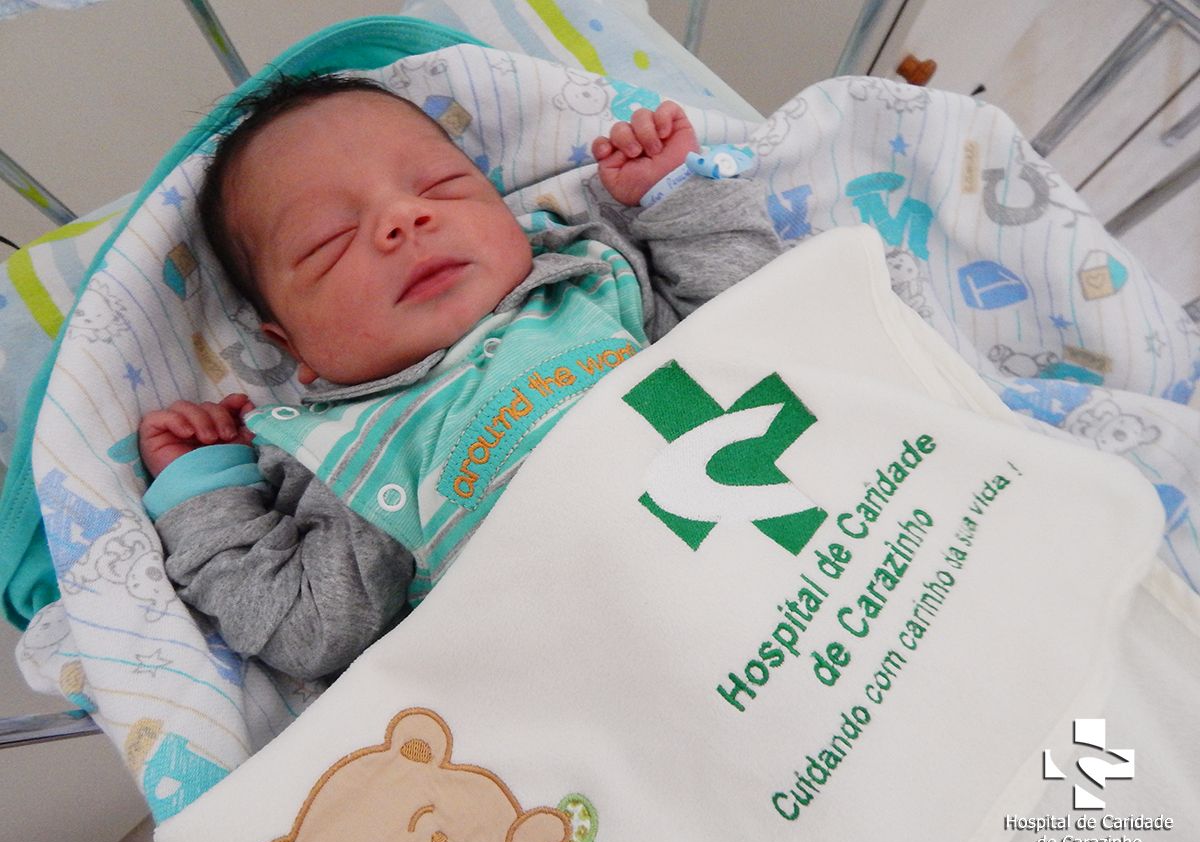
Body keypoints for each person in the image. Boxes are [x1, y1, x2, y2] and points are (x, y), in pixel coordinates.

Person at [138, 74, 781, 680]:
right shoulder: (355, 455)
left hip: (778, 551)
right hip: (615, 661)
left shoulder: (595, 286)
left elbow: (761, 325)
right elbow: (304, 627)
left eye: (440, 186)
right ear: (291, 345)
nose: (402, 218)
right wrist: (207, 489)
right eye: (328, 240)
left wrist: (676, 197)